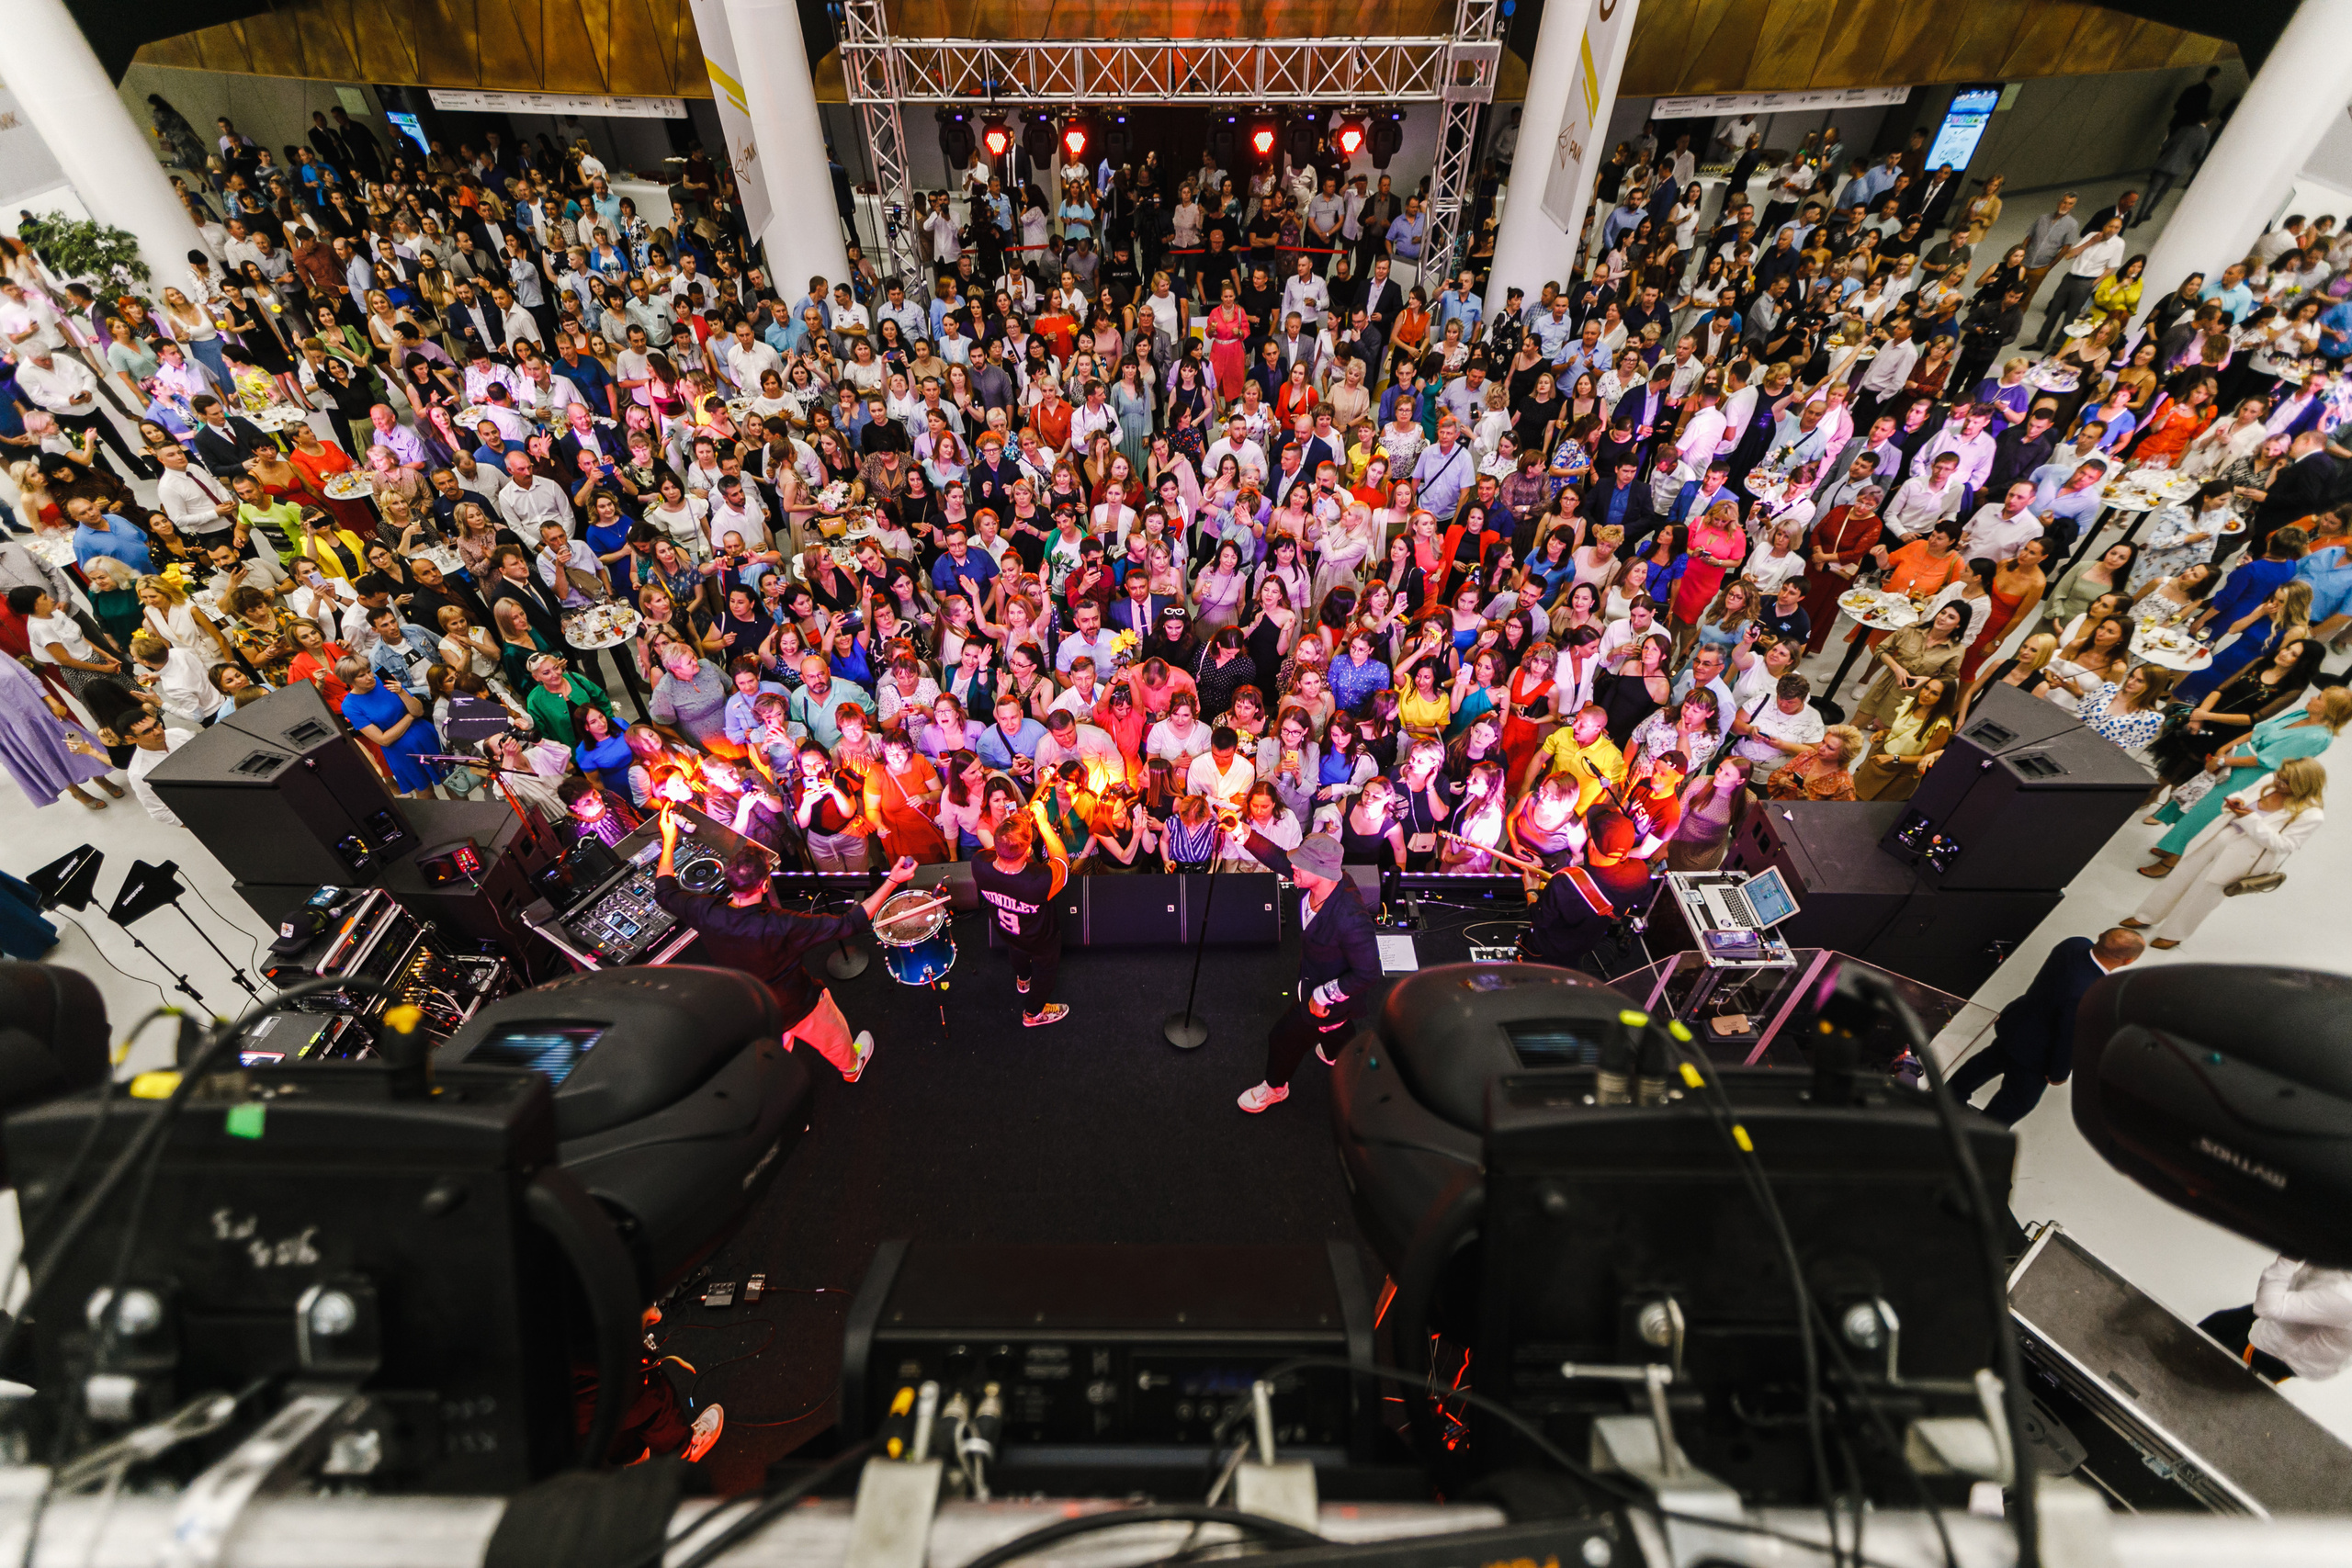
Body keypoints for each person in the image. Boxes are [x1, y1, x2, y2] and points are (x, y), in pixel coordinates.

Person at [651, 807, 914, 1082]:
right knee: (834, 1037)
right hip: (798, 1003)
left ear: (729, 880)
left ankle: (783, 1089)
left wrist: (668, 840)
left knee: (775, 1056)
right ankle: (851, 1068)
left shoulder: (705, 911)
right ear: (765, 885)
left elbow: (664, 891)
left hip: (753, 1005)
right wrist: (893, 881)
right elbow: (848, 923)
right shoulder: (783, 923)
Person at [1231, 830, 1381, 1114]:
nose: (1293, 869)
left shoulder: (1350, 919)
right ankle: (1338, 1051)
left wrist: (1324, 996)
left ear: (1321, 871)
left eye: (1300, 865)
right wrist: (1241, 832)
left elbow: (1368, 973)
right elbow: (1277, 858)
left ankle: (1275, 1089)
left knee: (1282, 1039)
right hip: (1314, 977)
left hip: (1324, 999)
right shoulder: (1315, 879)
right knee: (1333, 1028)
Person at [1946, 928, 2145, 1125]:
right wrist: (2059, 1072)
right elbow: (2068, 1036)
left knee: (1983, 1064)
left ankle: (1948, 1097)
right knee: (2017, 1101)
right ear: (2128, 961)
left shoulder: (2073, 943)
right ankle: (1984, 1133)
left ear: (2100, 936)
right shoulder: (2091, 993)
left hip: (2017, 1023)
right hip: (2036, 1055)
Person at [2122, 761, 2325, 949]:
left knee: (2204, 895)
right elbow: (2245, 794)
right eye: (2279, 777)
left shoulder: (2310, 814)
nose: (2278, 782)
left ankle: (2174, 933)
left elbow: (2283, 845)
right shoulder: (2269, 781)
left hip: (2245, 857)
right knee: (2179, 877)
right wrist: (2238, 801)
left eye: (2285, 782)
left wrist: (2249, 819)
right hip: (2215, 836)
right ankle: (2146, 916)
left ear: (2303, 784)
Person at [969, 807, 1071, 1028]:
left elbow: (1001, 847)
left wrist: (1012, 829)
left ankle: (1023, 979)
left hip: (1006, 931)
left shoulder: (979, 863)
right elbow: (1062, 861)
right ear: (1027, 852)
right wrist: (1043, 824)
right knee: (1045, 971)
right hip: (1040, 939)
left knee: (1016, 950)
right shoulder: (1039, 880)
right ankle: (1033, 1013)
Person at [2199, 1258, 2352, 1384]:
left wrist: (2289, 1256)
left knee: (2215, 1374)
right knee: (2217, 1324)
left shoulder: (2345, 1297)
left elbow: (2267, 1307)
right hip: (2290, 1309)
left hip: (2273, 1352)